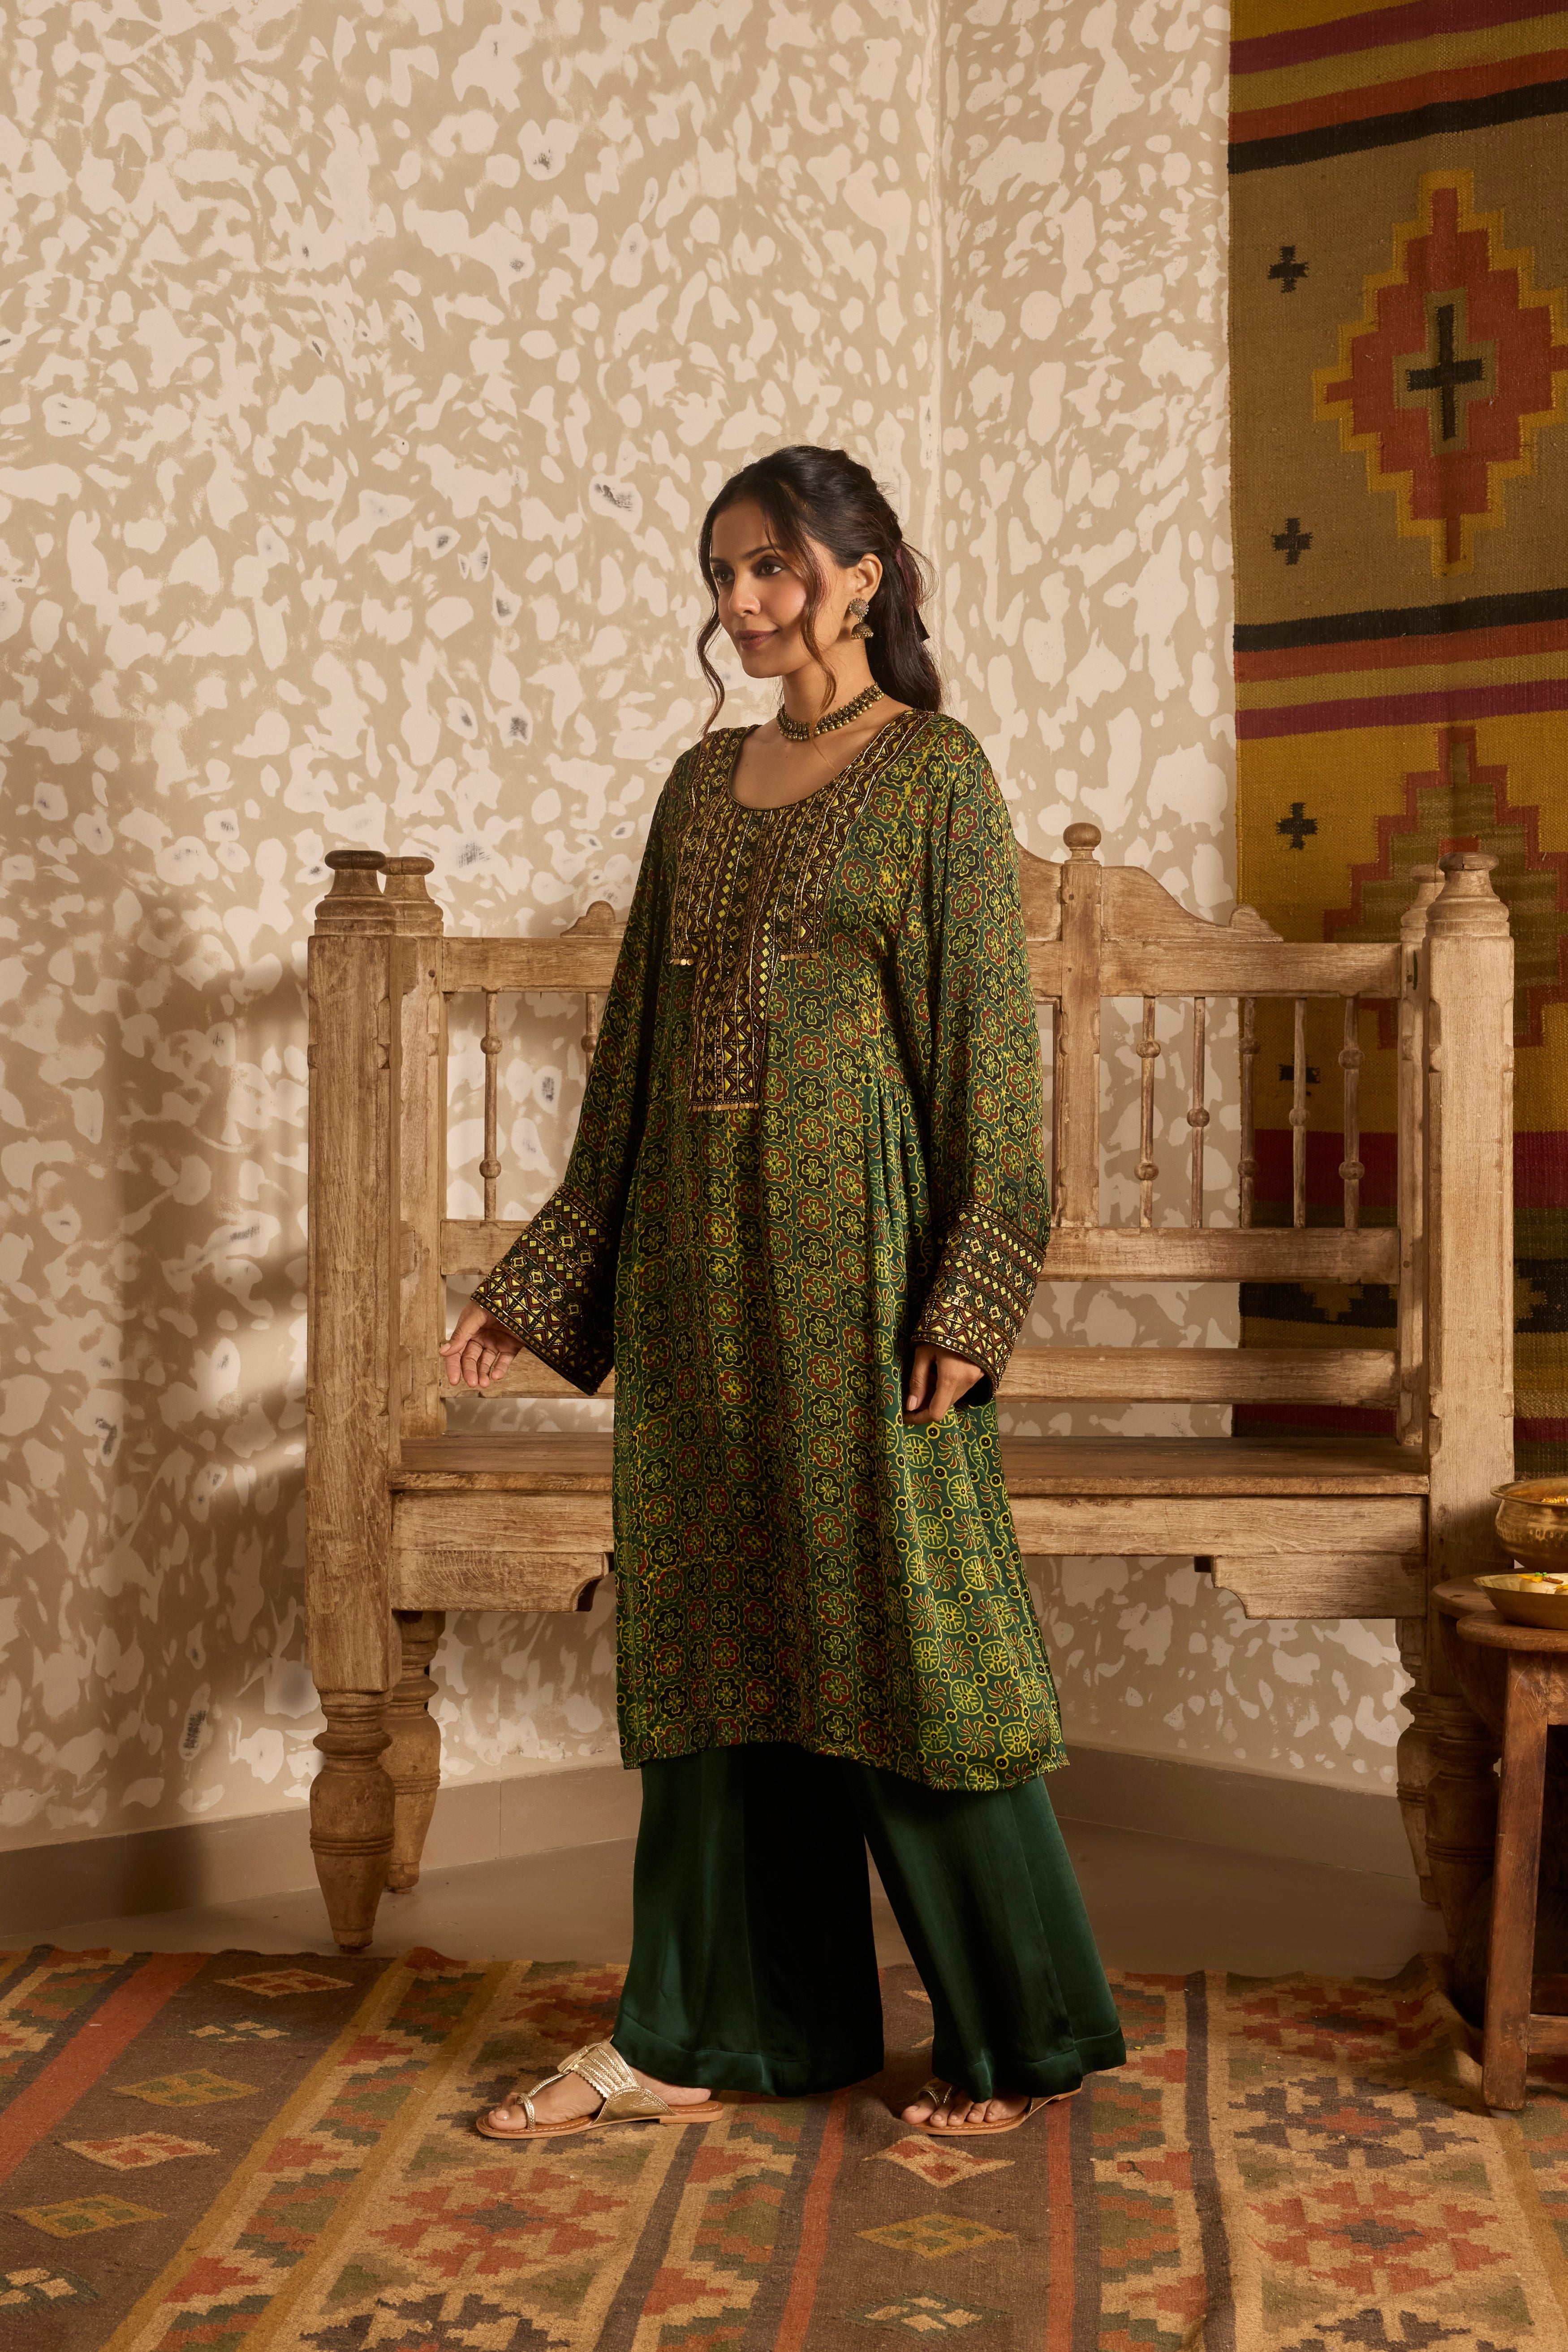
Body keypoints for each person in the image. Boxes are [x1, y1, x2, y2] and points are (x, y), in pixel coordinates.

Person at [441, 444, 1124, 2141]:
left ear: (859, 575)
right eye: (721, 573)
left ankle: (1018, 2037)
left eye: (768, 568)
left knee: (909, 1640)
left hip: (862, 1283)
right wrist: (542, 1277)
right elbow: (632, 1061)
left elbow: (989, 1071)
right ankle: (710, 2031)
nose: (739, 602)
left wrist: (968, 1303)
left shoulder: (936, 777)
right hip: (694, 1278)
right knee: (712, 1635)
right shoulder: (697, 787)